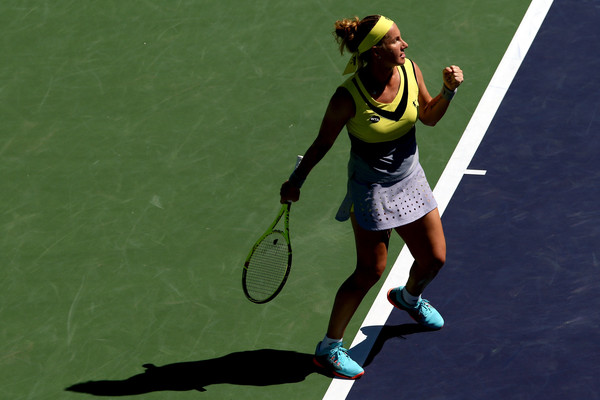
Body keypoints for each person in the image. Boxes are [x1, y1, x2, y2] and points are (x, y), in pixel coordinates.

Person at [279, 14, 463, 380]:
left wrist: (447, 91)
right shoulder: (347, 97)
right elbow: (323, 143)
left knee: (434, 259)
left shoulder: (409, 69)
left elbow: (427, 116)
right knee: (369, 271)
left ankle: (408, 298)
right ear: (376, 51)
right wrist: (296, 180)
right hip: (372, 191)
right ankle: (328, 349)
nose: (405, 44)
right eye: (396, 40)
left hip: (410, 179)